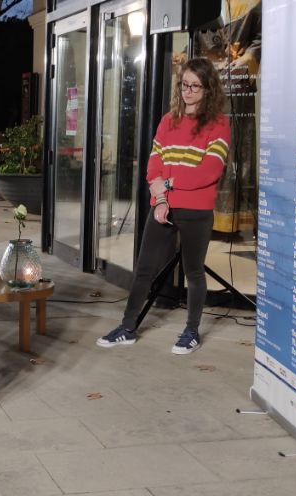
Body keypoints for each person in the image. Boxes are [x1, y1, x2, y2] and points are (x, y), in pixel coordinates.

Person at [96, 57, 231, 355]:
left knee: (193, 271)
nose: (189, 91)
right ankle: (127, 327)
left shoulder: (219, 125)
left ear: (208, 89)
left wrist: (167, 185)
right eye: (184, 84)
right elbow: (154, 165)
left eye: (196, 86)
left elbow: (207, 173)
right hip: (163, 206)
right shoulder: (168, 121)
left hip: (196, 210)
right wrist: (159, 198)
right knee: (144, 269)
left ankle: (191, 332)